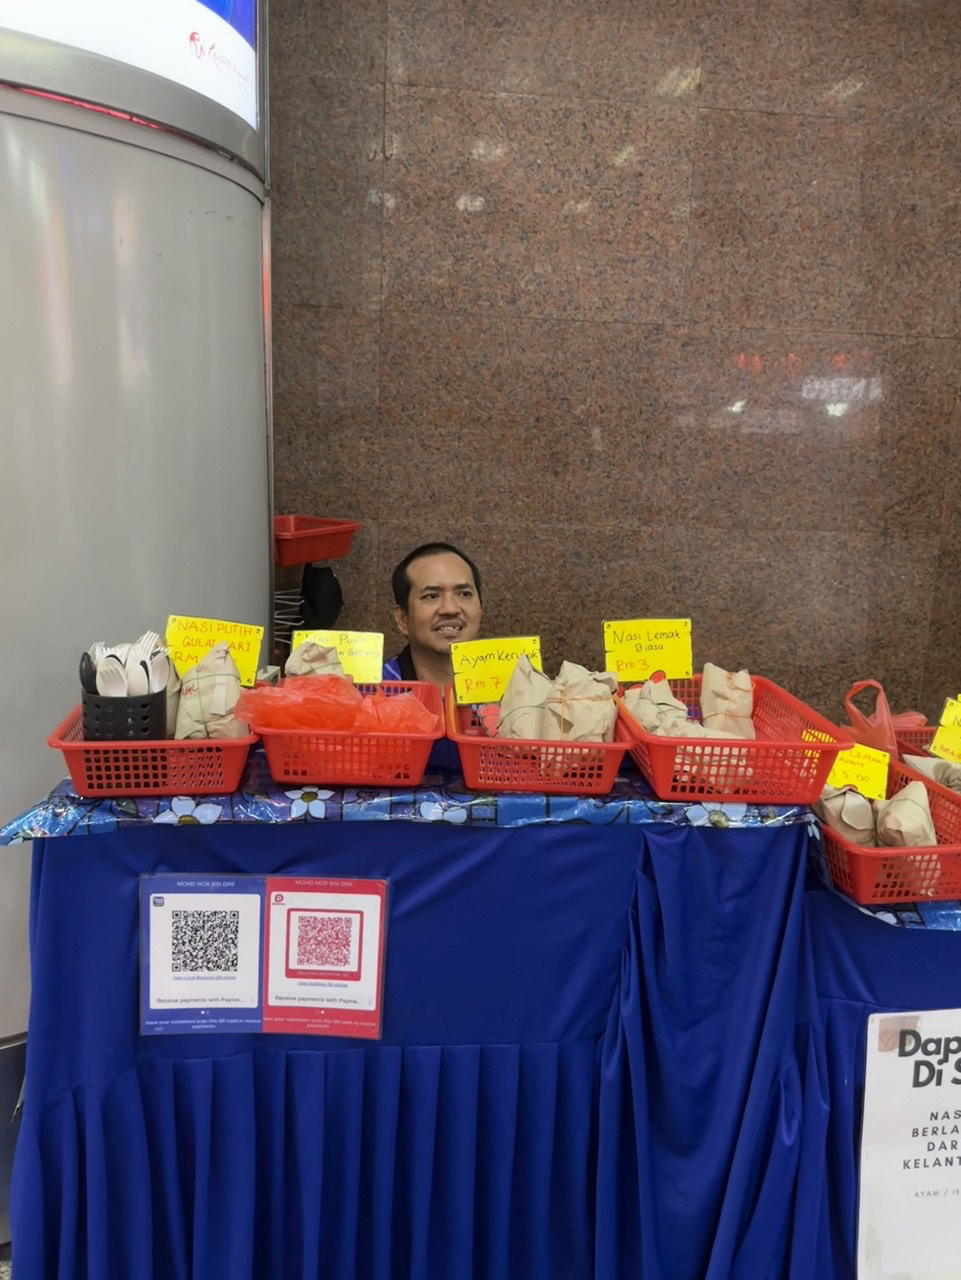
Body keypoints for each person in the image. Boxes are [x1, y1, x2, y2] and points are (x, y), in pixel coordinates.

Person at [382, 543, 482, 686]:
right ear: (403, 619)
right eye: (432, 596)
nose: (450, 608)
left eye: (464, 594)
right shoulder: (371, 694)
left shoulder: (512, 690)